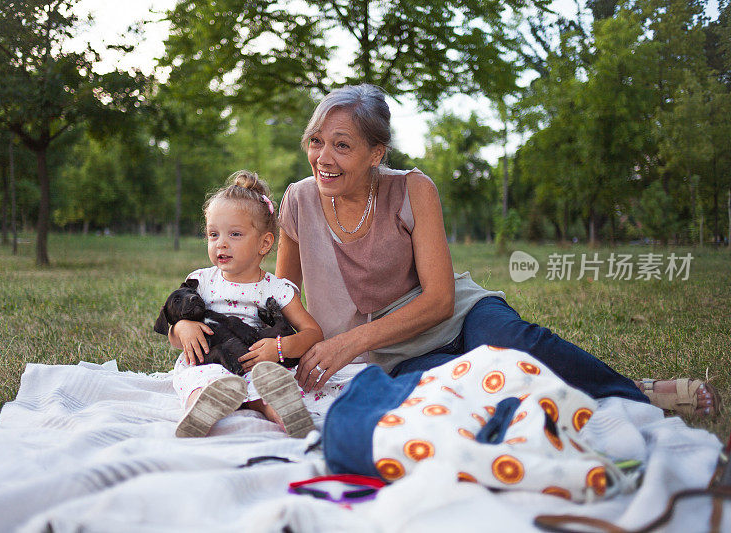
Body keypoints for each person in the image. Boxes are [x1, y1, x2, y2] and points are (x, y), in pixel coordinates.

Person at [275, 83, 718, 418]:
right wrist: (269, 356)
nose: (323, 157)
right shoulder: (298, 200)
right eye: (316, 141)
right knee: (467, 387)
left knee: (513, 342)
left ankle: (633, 394)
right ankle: (581, 398)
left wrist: (351, 341)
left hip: (455, 315)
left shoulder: (414, 189)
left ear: (376, 153)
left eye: (342, 145)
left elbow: (440, 299)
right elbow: (283, 297)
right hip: (392, 354)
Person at [168, 170, 324, 438]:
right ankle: (201, 410)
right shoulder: (200, 282)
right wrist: (182, 328)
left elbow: (313, 333)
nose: (221, 244)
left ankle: (288, 416)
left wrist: (280, 348)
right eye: (213, 234)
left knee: (267, 387)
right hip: (210, 364)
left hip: (256, 364)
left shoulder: (277, 289)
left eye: (235, 235)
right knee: (197, 382)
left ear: (264, 243)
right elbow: (172, 336)